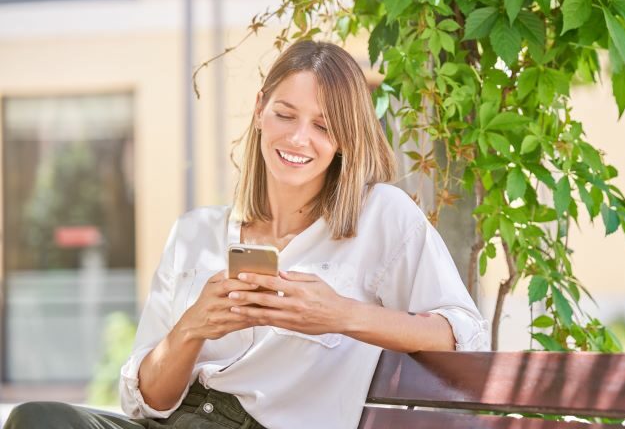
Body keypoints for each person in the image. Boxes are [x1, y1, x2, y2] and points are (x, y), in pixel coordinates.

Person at [4, 40, 489, 429]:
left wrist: (339, 314)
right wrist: (194, 326)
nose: (299, 138)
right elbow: (147, 401)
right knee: (37, 418)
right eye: (285, 114)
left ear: (345, 139)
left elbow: (463, 335)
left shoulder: (381, 216)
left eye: (323, 125)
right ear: (259, 109)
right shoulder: (196, 232)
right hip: (176, 421)